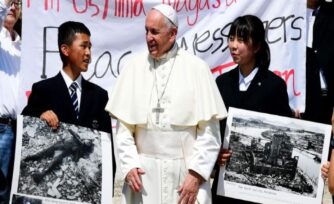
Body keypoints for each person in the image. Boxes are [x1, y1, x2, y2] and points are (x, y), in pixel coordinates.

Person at [105, 4, 227, 204]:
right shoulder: (134, 68)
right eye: (146, 31)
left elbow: (210, 133)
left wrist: (196, 174)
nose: (148, 37)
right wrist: (129, 165)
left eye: (154, 32)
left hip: (185, 178)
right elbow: (123, 130)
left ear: (172, 34)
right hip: (144, 178)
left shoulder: (197, 68)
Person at [212, 15, 292, 204]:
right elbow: (214, 130)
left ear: (256, 46)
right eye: (231, 38)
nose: (233, 45)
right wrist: (216, 153)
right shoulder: (222, 82)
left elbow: (283, 132)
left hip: (257, 191)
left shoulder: (274, 85)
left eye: (241, 40)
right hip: (225, 184)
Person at [22, 21, 111, 134]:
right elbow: (24, 128)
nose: (88, 52)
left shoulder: (100, 96)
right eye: (83, 46)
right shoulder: (43, 90)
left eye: (89, 47)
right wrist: (40, 117)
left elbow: (106, 143)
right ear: (65, 49)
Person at [0, 0, 21, 202]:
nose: (13, 6)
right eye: (10, 1)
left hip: (21, 127)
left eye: (18, 3)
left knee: (13, 190)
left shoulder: (24, 46)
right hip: (1, 127)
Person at [22, 129, 94, 183]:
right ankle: (29, 158)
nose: (87, 142)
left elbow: (75, 160)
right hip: (58, 146)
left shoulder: (79, 150)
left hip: (63, 153)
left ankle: (41, 175)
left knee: (54, 163)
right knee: (43, 153)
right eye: (88, 141)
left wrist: (77, 150)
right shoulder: (78, 137)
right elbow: (70, 130)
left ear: (86, 146)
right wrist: (77, 139)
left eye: (88, 143)